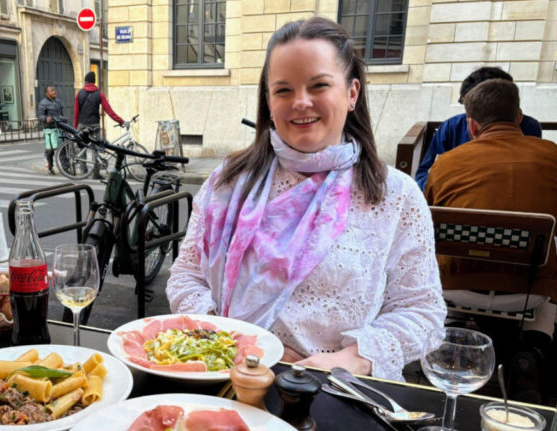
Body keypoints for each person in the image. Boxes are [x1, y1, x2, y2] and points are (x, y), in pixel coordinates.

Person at [166, 17, 446, 381]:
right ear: (268, 100)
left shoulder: (396, 196)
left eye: (319, 85)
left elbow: (422, 311)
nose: (300, 102)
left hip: (339, 390)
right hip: (231, 375)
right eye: (283, 90)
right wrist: (235, 341)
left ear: (351, 93)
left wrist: (353, 359)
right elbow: (186, 276)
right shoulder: (227, 182)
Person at [424, 79, 557, 400]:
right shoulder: (552, 157)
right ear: (520, 117)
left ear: (471, 125)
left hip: (456, 288)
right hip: (527, 294)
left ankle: (450, 336)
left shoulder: (446, 164)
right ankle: (538, 340)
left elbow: (426, 225)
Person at [414, 67, 542, 191]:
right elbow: (424, 174)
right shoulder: (450, 127)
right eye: (468, 106)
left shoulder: (530, 127)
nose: (471, 112)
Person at [37, 85, 63, 175]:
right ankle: (50, 168)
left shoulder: (58, 102)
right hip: (49, 130)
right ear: (47, 93)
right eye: (52, 91)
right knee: (50, 151)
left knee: (63, 148)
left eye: (54, 90)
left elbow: (61, 114)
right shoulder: (43, 103)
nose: (54, 92)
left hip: (59, 129)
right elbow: (40, 116)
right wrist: (45, 118)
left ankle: (66, 168)